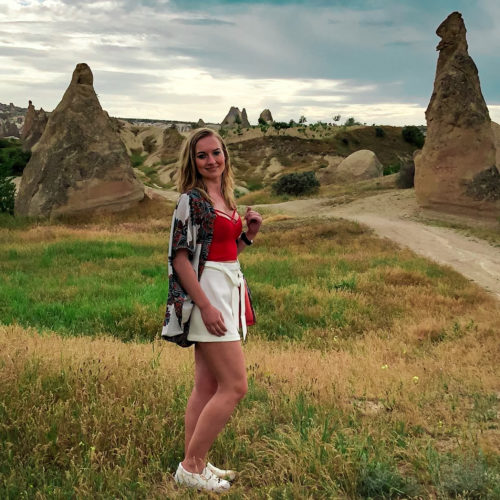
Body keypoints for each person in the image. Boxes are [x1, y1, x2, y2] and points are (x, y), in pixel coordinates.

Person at [161, 127, 262, 493]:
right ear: (193, 161)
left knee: (205, 386)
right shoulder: (191, 199)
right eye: (202, 155)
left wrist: (247, 235)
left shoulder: (223, 194)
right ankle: (191, 466)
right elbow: (181, 258)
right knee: (235, 386)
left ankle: (197, 463)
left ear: (225, 155)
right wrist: (205, 306)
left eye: (215, 153)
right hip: (209, 295)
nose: (211, 160)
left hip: (227, 288)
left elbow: (224, 251)